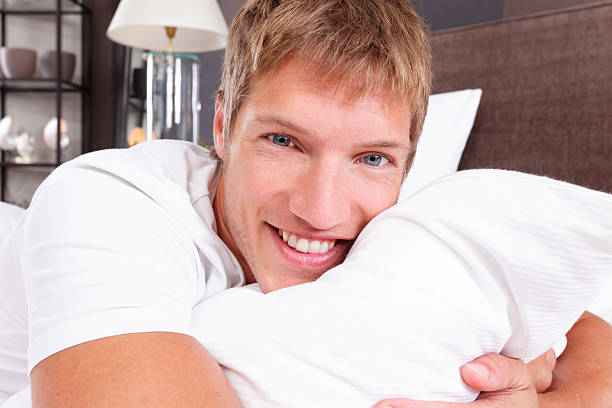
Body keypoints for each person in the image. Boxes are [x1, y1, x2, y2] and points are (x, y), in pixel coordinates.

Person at [0, 0, 610, 407]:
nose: (323, 210)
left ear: (409, 162)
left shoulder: (411, 225)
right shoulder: (105, 201)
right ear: (221, 125)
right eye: (284, 141)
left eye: (372, 158)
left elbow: (591, 328)